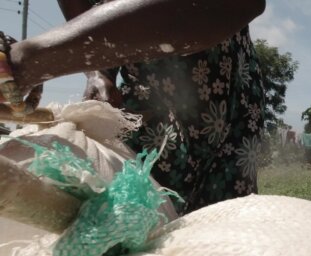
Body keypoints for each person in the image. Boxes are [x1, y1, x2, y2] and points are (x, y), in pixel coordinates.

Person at [0, 0, 266, 215]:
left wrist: (27, 61)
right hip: (143, 94)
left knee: (222, 229)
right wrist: (97, 71)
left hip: (225, 85)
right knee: (138, 222)